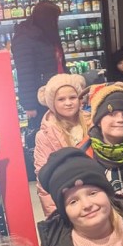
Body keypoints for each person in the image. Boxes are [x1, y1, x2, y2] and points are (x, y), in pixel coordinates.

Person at [34, 73, 89, 216]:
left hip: (94, 193)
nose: (68, 103)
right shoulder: (45, 135)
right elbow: (44, 177)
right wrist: (55, 215)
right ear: (52, 103)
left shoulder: (92, 123)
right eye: (61, 99)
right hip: (67, 199)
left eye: (72, 97)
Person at [11, 0, 64, 128]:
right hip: (41, 97)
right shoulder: (25, 38)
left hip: (57, 93)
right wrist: (30, 106)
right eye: (54, 19)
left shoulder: (47, 33)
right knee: (44, 132)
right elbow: (25, 73)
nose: (56, 22)